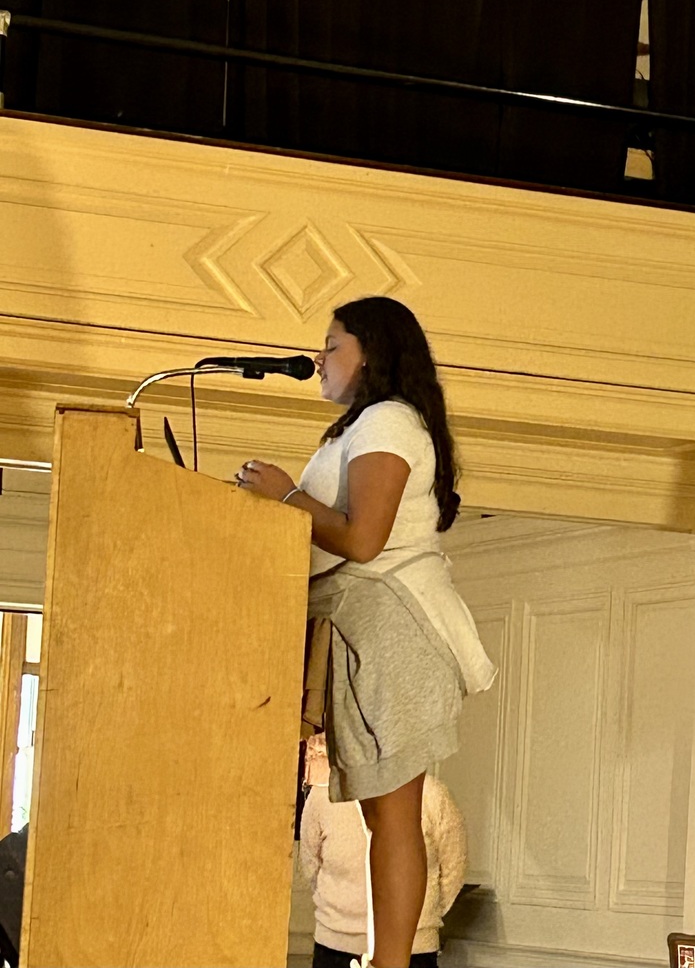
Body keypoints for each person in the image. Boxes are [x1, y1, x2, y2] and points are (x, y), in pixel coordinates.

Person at [235, 296, 495, 968]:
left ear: (373, 354)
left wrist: (288, 497)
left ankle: (391, 964)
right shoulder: (362, 426)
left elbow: (363, 538)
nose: (320, 357)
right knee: (383, 817)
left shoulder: (390, 421)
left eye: (333, 344)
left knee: (395, 816)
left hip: (395, 627)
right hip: (368, 627)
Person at [300, 735, 467, 968]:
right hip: (334, 946)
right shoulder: (323, 796)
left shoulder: (433, 795)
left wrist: (419, 921)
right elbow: (310, 865)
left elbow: (454, 870)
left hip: (414, 949)